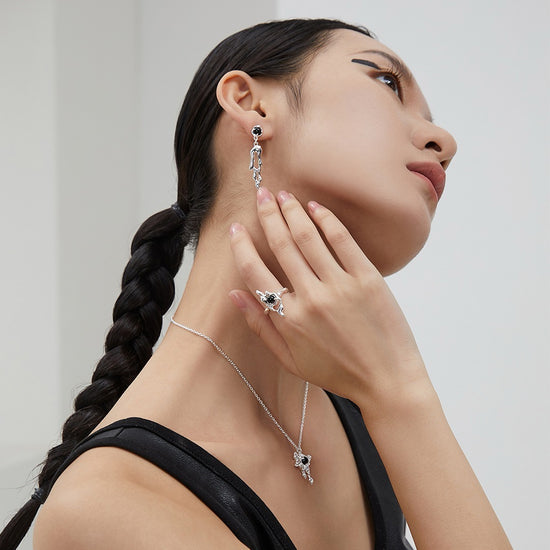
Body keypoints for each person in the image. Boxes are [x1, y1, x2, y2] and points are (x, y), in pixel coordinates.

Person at [0, 18, 512, 550]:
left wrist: (394, 396)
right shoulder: (108, 506)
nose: (444, 141)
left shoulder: (361, 409)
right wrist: (400, 392)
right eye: (387, 83)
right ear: (251, 104)